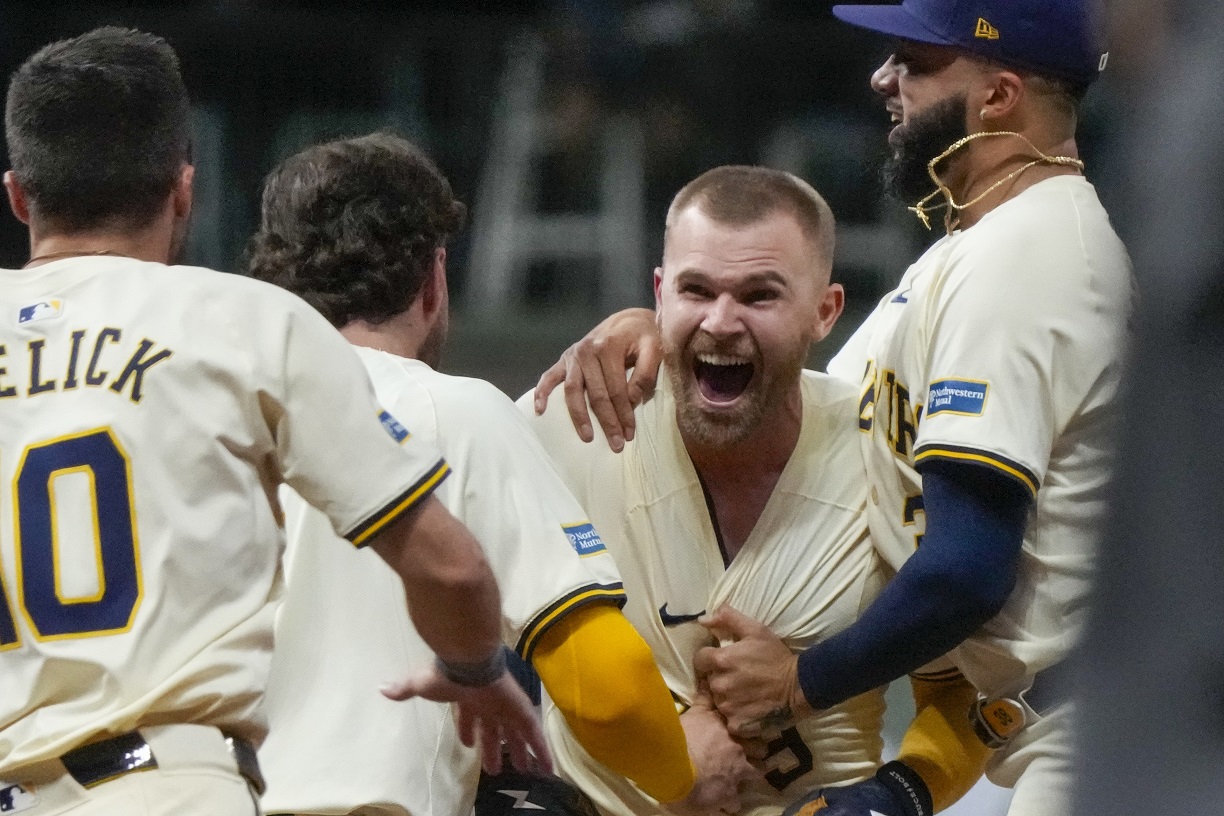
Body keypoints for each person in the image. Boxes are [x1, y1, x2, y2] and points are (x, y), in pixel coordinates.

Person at [533, 2, 1132, 814]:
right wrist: (652, 330)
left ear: (998, 96)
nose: (884, 78)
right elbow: (813, 396)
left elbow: (967, 569)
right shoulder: (976, 253)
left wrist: (797, 686)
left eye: (916, 61)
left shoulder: (1025, 255)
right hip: (1029, 726)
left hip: (1089, 729)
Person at [0, 28, 545, 816]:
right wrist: (474, 672)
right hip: (169, 788)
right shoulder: (246, 320)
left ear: (19, 195)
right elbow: (451, 571)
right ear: (183, 190)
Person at [244, 132, 724, 816]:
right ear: (433, 280)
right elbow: (607, 686)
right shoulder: (451, 412)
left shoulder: (212, 409)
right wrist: (687, 787)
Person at [526, 165, 990, 816]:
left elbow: (970, 694)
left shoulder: (891, 463)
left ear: (825, 311)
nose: (721, 321)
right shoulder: (568, 425)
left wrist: (896, 796)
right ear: (660, 296)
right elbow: (455, 625)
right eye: (696, 290)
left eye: (759, 295)